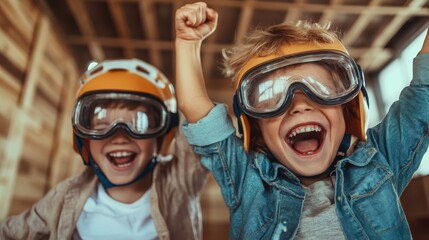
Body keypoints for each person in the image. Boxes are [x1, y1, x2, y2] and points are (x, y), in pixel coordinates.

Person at [175, 2, 429, 239]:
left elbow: (423, 93)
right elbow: (196, 109)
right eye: (272, 97)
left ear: (347, 110)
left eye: (320, 88)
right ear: (257, 129)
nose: (300, 104)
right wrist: (187, 43)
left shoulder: (378, 160)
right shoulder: (248, 179)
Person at [0, 59, 208, 239]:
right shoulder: (64, 197)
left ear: (163, 137)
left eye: (138, 124)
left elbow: (198, 120)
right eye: (100, 126)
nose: (119, 136)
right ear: (84, 142)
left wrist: (188, 44)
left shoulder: (179, 183)